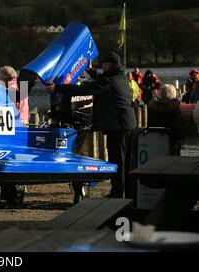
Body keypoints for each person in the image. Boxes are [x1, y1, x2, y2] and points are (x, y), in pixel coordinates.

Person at [46, 52, 136, 198]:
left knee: (118, 159)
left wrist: (58, 88)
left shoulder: (110, 81)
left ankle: (118, 193)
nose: (102, 65)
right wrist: (90, 70)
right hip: (124, 124)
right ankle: (123, 191)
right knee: (123, 159)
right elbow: (100, 80)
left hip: (118, 126)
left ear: (110, 64)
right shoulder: (118, 76)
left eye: (103, 63)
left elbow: (85, 89)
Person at [148, 84, 183, 152]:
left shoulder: (153, 108)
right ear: (174, 95)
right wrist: (180, 139)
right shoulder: (175, 108)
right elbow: (177, 126)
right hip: (171, 141)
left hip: (155, 141)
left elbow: (149, 125)